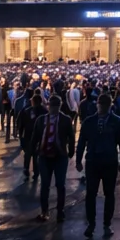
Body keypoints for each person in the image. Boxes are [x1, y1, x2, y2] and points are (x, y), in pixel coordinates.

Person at [76, 91, 120, 236]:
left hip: (109, 161)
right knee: (91, 194)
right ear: (97, 104)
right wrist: (78, 159)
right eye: (101, 104)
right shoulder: (89, 121)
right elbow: (81, 141)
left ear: (110, 105)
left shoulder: (117, 122)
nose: (102, 107)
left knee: (109, 194)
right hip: (93, 161)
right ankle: (91, 223)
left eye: (105, 105)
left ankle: (106, 224)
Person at [30, 94, 76, 222]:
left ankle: (60, 211)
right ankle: (44, 211)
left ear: (59, 106)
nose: (53, 108)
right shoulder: (41, 120)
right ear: (48, 106)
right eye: (52, 106)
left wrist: (71, 151)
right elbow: (35, 136)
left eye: (56, 106)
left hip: (60, 156)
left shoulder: (65, 120)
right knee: (45, 184)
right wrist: (32, 150)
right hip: (44, 156)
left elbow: (71, 137)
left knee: (60, 184)